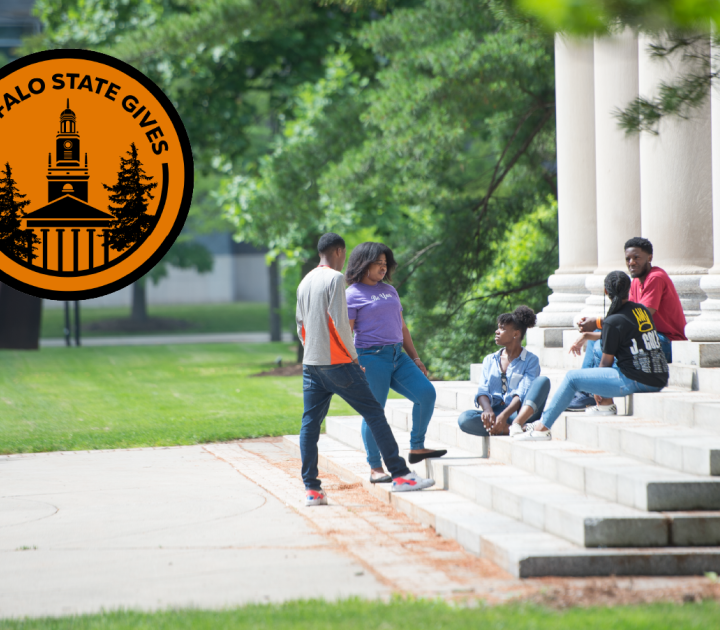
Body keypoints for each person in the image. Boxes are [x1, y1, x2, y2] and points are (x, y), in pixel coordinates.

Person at [296, 233, 435, 506]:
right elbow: (340, 324)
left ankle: (312, 490)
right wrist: (353, 357)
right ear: (339, 251)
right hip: (338, 362)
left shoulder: (305, 281)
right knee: (374, 413)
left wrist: (310, 349)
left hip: (312, 364)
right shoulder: (335, 279)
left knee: (310, 425)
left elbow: (300, 323)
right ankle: (401, 475)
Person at [516, 271, 669, 441]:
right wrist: (587, 336)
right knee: (597, 346)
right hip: (659, 377)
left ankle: (542, 428)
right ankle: (606, 406)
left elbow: (606, 362)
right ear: (629, 290)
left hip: (639, 380)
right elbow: (619, 338)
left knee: (572, 378)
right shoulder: (641, 310)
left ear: (606, 292)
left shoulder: (613, 321)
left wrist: (597, 387)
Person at [345, 242, 445, 484]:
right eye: (377, 263)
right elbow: (346, 334)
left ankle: (417, 447)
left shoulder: (390, 290)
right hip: (371, 357)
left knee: (426, 393)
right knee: (374, 412)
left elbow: (402, 327)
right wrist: (353, 363)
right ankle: (375, 466)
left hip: (397, 356)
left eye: (385, 263)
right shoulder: (352, 294)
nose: (383, 267)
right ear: (363, 264)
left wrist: (416, 357)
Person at [567, 237, 686, 412]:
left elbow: (638, 319)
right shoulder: (636, 282)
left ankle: (593, 391)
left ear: (649, 257)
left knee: (603, 348)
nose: (631, 263)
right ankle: (585, 392)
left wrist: (597, 322)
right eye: (628, 259)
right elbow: (622, 323)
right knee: (596, 342)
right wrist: (594, 327)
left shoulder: (656, 278)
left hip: (665, 340)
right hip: (643, 337)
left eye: (637, 258)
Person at [457, 306, 551, 439]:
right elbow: (483, 390)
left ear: (516, 334)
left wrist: (504, 416)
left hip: (520, 413)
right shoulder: (490, 359)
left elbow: (522, 392)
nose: (496, 331)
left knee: (543, 381)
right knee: (465, 419)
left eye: (502, 328)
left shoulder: (531, 360)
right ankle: (514, 429)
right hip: (495, 412)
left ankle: (518, 424)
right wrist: (488, 410)